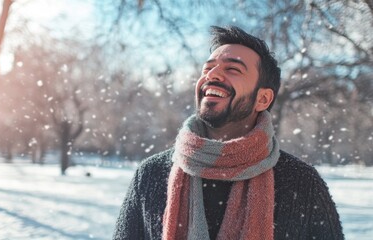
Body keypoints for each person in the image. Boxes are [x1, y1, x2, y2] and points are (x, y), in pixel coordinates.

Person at [113, 25, 344, 240]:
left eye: (233, 69)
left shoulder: (301, 183)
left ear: (262, 99)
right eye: (208, 68)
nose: (211, 75)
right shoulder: (151, 175)